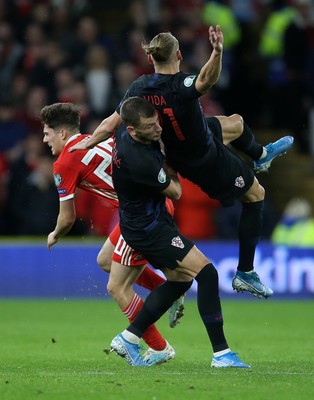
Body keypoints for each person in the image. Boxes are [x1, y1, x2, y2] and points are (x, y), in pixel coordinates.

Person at [70, 25, 294, 298]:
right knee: (256, 194)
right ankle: (246, 272)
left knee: (235, 123)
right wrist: (218, 51)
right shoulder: (181, 85)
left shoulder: (140, 86)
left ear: (151, 59)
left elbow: (109, 123)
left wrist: (88, 142)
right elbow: (207, 80)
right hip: (204, 158)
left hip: (184, 142)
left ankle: (260, 156)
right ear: (179, 54)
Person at [108, 96, 250, 368]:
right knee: (207, 273)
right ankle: (221, 354)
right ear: (133, 130)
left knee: (181, 281)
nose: (158, 129)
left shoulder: (124, 132)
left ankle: (129, 336)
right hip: (150, 229)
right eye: (150, 127)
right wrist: (174, 164)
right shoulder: (141, 162)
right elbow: (176, 192)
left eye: (156, 122)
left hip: (143, 223)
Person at [40, 102, 184, 366]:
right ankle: (167, 291)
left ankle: (159, 347)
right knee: (105, 260)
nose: (44, 139)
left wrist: (55, 234)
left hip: (143, 214)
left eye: (47, 133)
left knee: (117, 287)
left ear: (61, 134)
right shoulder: (97, 137)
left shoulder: (63, 163)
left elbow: (68, 217)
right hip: (153, 204)